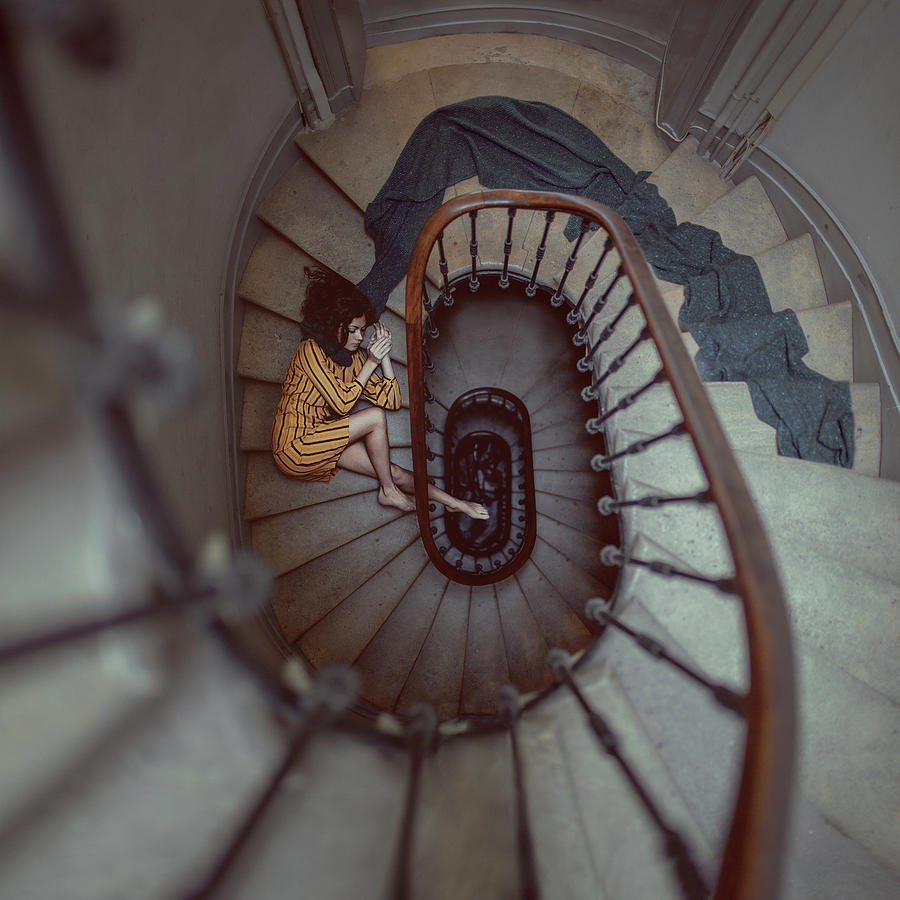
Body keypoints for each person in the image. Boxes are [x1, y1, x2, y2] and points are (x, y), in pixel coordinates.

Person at [272, 267, 489, 519]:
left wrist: (383, 359)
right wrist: (371, 363)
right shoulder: (309, 351)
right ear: (335, 325)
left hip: (323, 432)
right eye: (353, 330)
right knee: (374, 418)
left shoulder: (354, 362)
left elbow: (392, 400)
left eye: (362, 331)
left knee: (392, 471)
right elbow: (343, 405)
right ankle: (388, 491)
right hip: (294, 446)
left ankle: (454, 502)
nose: (359, 337)